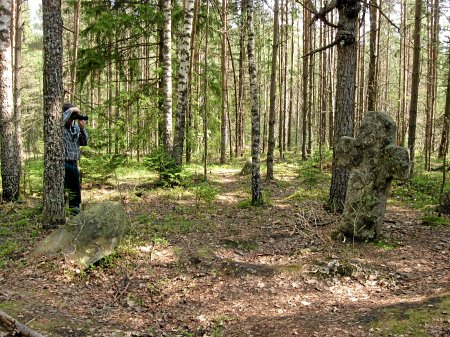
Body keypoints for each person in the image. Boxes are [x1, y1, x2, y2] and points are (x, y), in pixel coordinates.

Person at [63, 103, 88, 214]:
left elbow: (84, 142)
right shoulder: (59, 127)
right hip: (62, 163)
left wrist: (82, 129)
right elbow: (62, 119)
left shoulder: (75, 128)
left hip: (73, 164)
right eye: (72, 115)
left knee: (75, 191)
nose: (72, 119)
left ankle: (75, 213)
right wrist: (72, 109)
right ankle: (61, 213)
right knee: (62, 190)